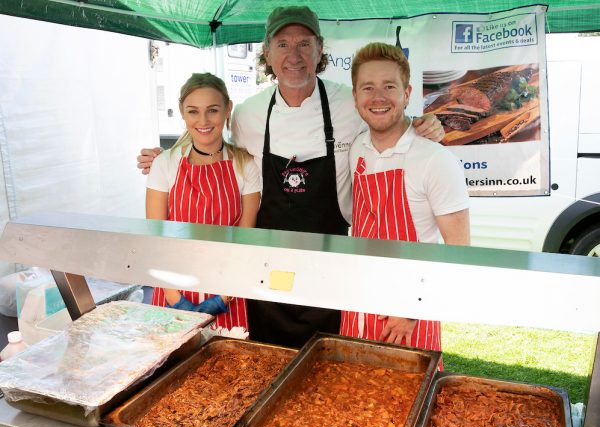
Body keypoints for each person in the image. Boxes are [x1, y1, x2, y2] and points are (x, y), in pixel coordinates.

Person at [137, 6, 445, 348]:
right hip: (268, 263)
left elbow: (387, 116)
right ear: (267, 52)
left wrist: (425, 123)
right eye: (282, 44)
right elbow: (214, 144)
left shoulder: (349, 103)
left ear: (320, 48)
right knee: (267, 357)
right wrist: (167, 156)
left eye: (304, 44)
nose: (293, 55)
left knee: (326, 359)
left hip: (330, 258)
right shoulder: (248, 114)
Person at [339, 42, 470, 355]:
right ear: (355, 96)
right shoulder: (357, 149)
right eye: (368, 88)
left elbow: (460, 255)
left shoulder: (435, 159)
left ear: (407, 93)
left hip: (409, 314)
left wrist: (412, 310)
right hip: (359, 302)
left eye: (389, 87)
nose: (378, 98)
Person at [146, 73, 261, 331]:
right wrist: (177, 301)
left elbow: (245, 240)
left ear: (227, 109)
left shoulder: (246, 165)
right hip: (172, 288)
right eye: (193, 111)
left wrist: (222, 297)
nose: (203, 121)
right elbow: (155, 239)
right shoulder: (164, 164)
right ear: (182, 113)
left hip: (227, 288)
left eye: (212, 110)